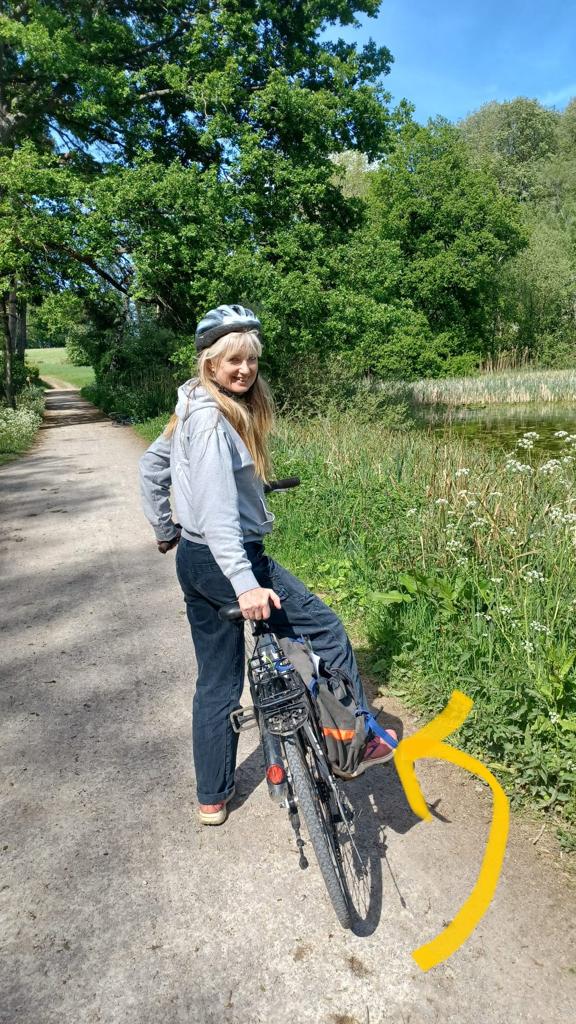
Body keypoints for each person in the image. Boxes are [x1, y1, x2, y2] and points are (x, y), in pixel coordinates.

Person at [139, 304, 397, 825]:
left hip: (192, 558)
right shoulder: (213, 422)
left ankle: (212, 798)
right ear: (210, 364)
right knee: (327, 631)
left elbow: (151, 470)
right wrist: (244, 583)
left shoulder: (190, 405)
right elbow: (216, 515)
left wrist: (166, 527)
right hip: (225, 559)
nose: (244, 370)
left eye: (251, 360)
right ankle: (356, 740)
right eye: (232, 360)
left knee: (216, 681)